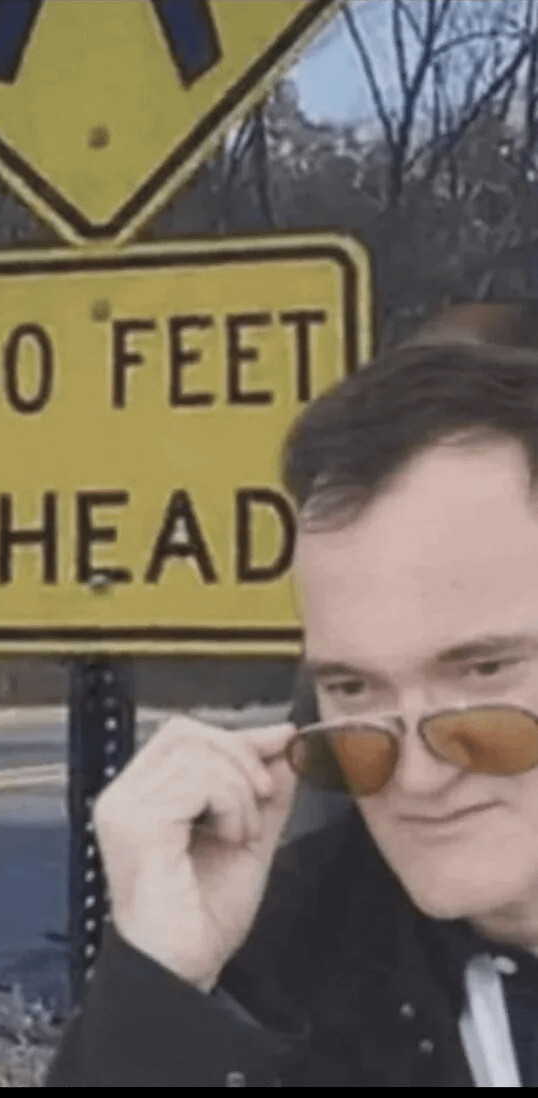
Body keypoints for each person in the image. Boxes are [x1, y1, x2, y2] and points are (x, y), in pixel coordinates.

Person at [46, 311, 538, 1087]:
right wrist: (157, 998)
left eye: (483, 673)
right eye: (353, 689)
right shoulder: (280, 974)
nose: (414, 778)